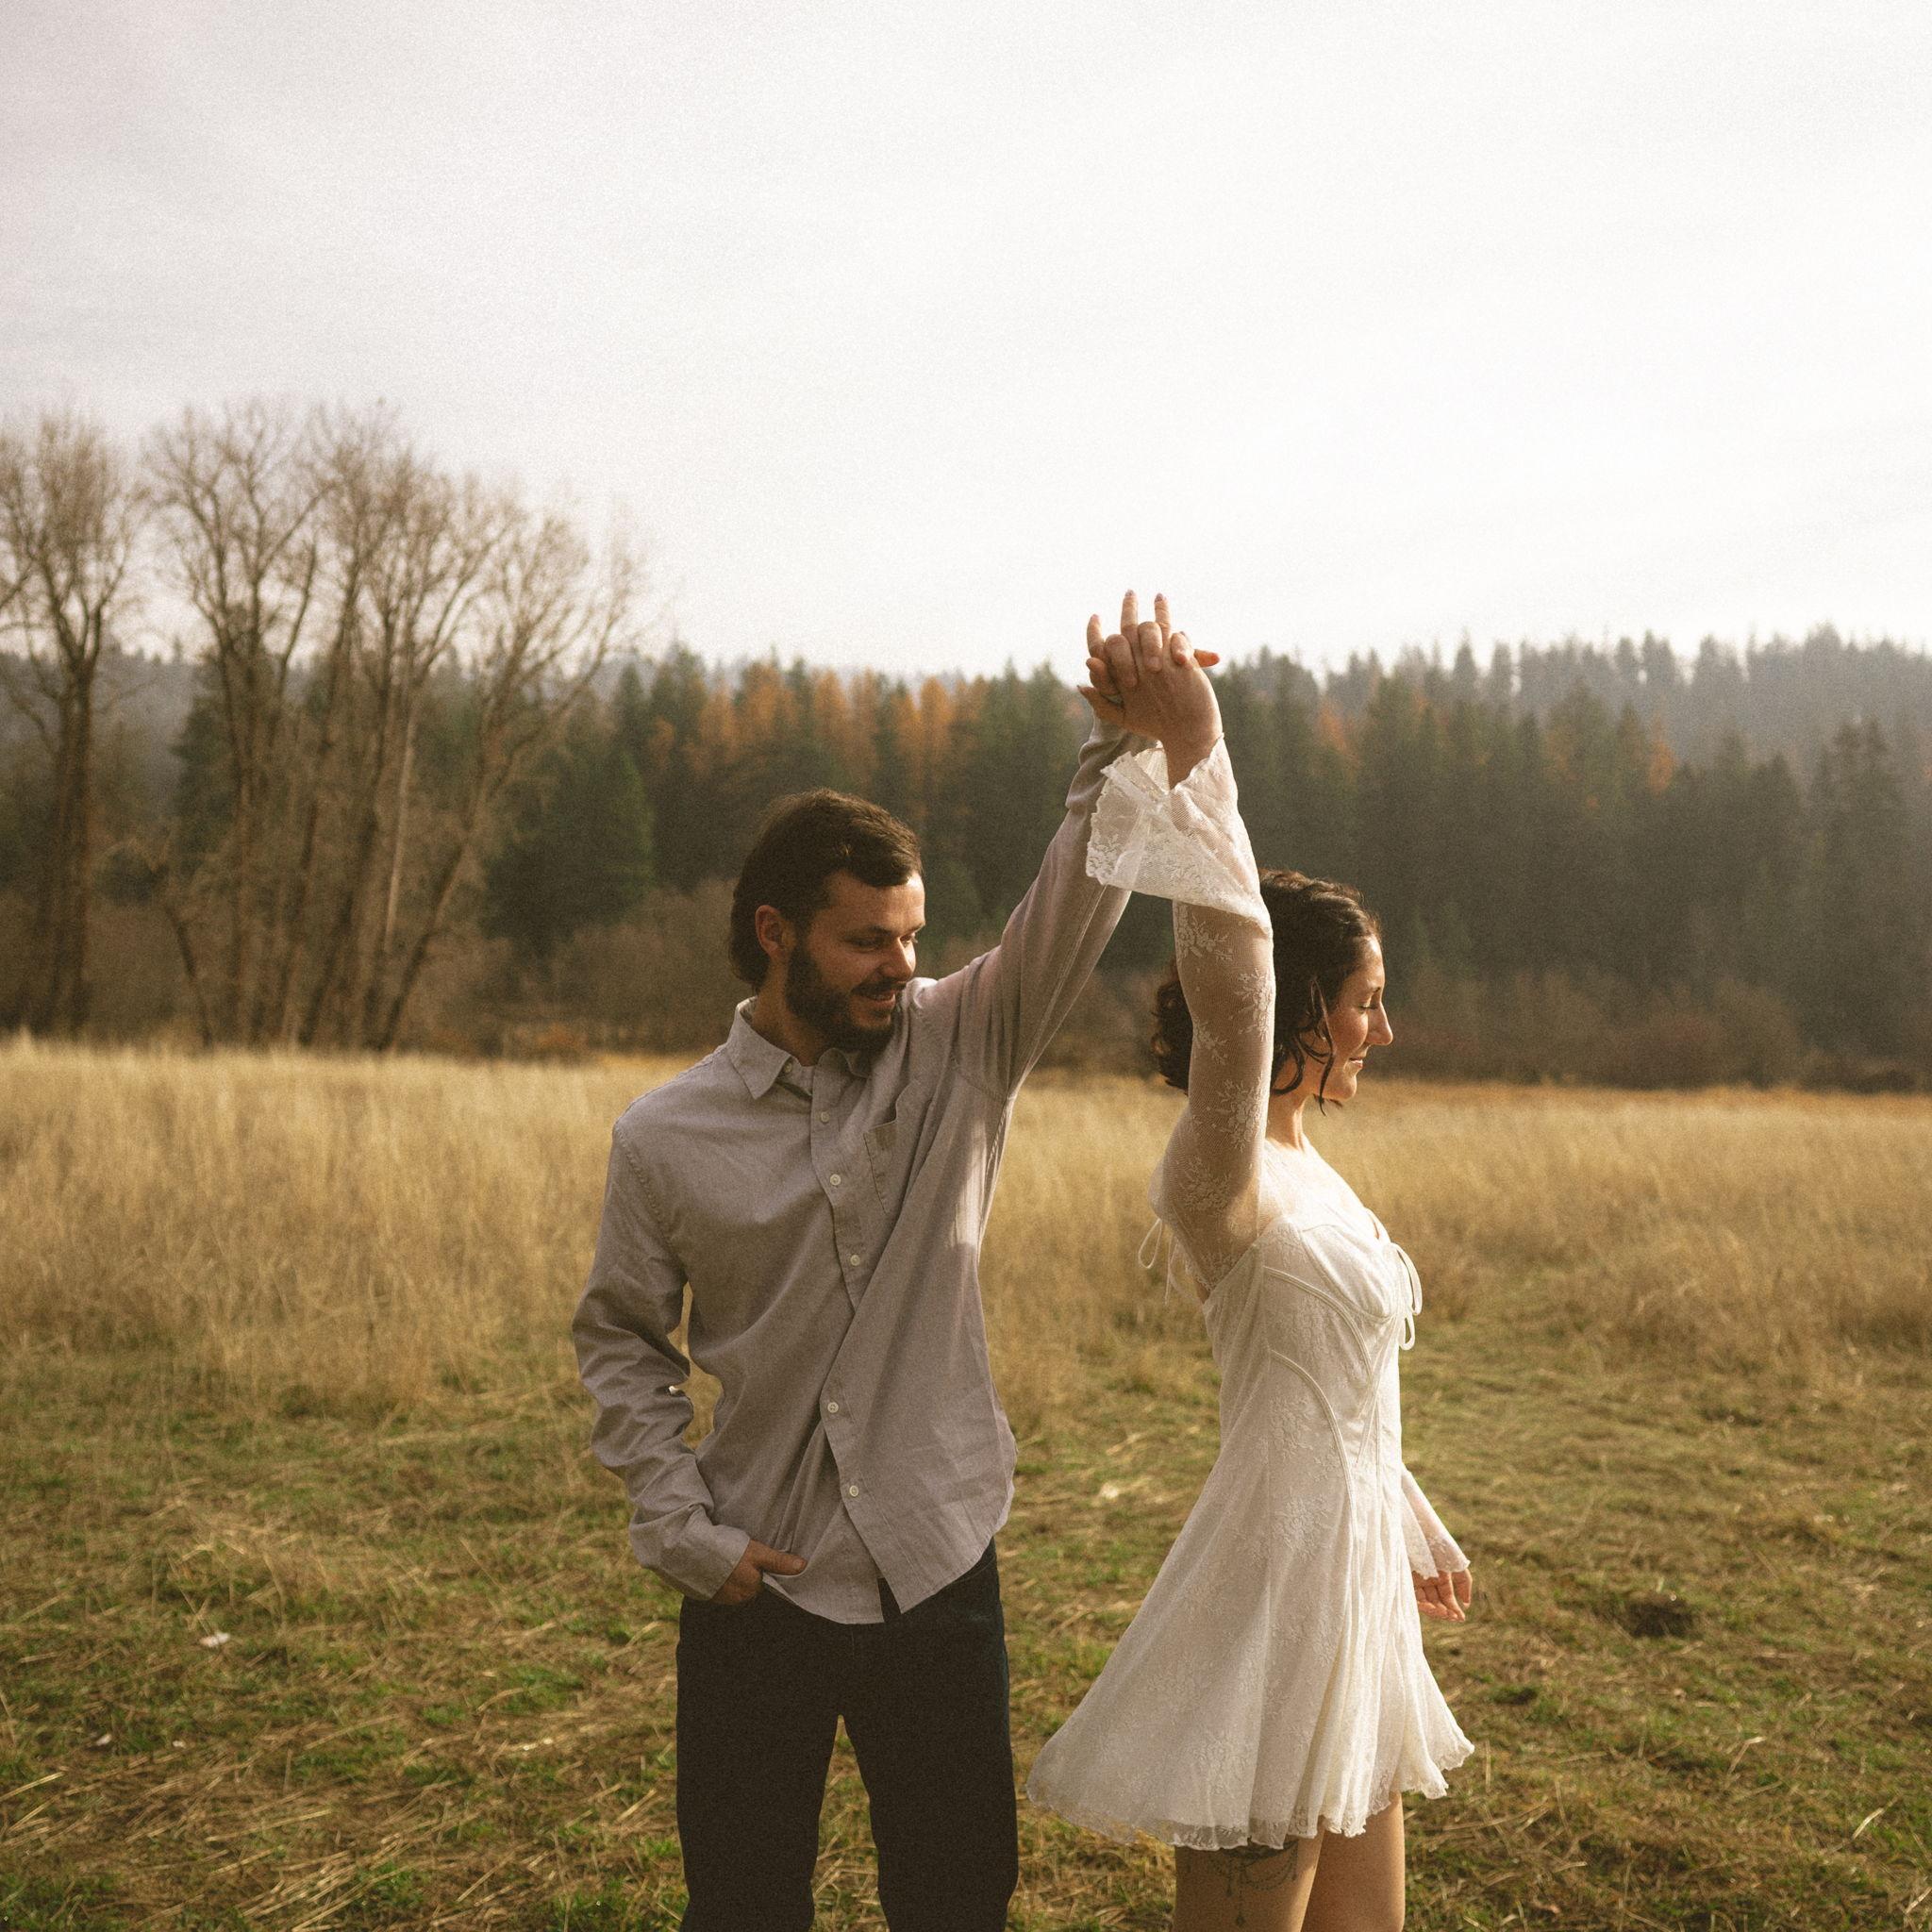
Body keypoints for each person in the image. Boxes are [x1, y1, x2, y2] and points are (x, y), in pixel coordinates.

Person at [572, 595, 1223, 1932]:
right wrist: (681, 1528)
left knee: (957, 1899)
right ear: (775, 933)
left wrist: (1119, 745)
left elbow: (1072, 902)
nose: (901, 967)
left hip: (939, 1566)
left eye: (912, 935)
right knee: (742, 1906)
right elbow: (621, 1341)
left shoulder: (962, 1045)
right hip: (757, 1579)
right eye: (868, 940)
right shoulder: (662, 1137)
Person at [1026, 625, 1474, 1932]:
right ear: (1306, 1006)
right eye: (1367, 1001)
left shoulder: (1315, 1170)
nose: (1383, 1030)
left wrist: (1411, 1519)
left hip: (1356, 1585)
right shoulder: (1219, 1175)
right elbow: (1232, 1001)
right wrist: (1195, 751)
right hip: (1276, 1593)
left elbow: (1336, 1389)